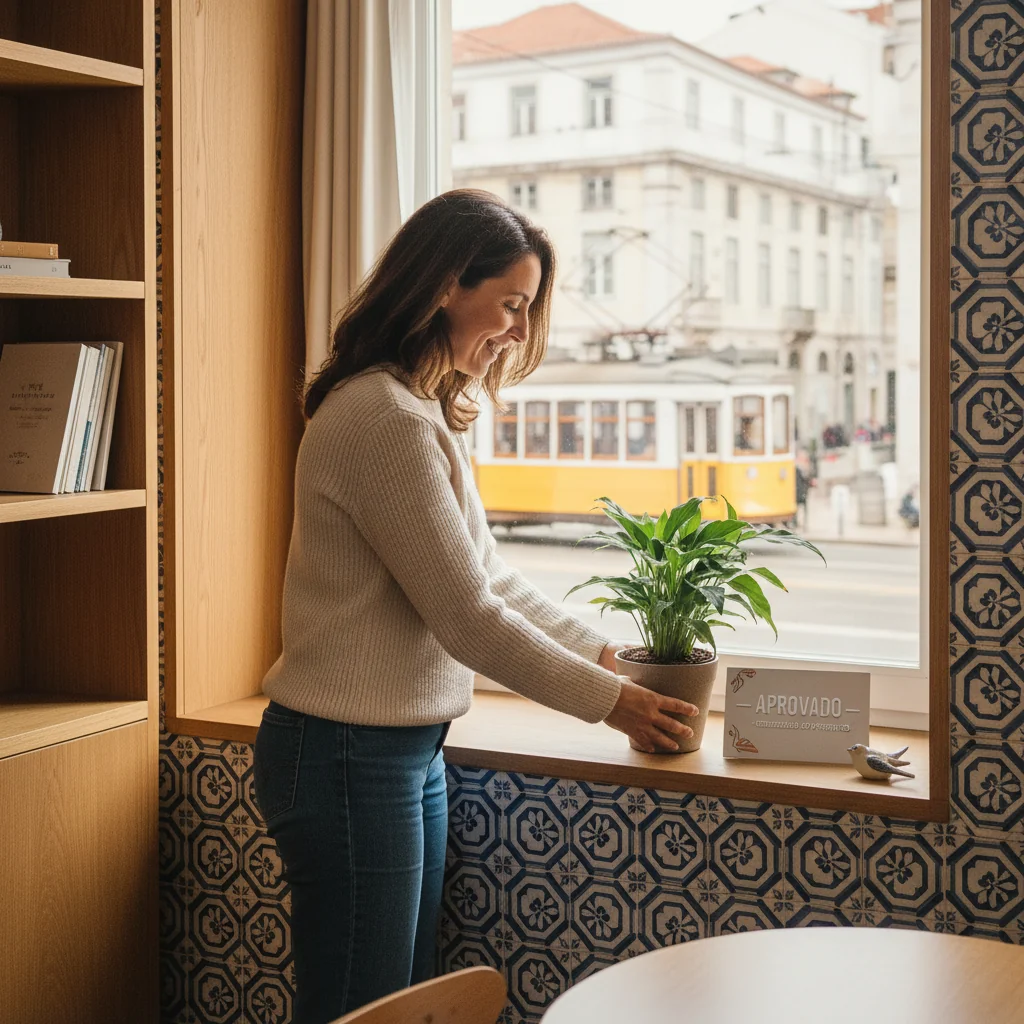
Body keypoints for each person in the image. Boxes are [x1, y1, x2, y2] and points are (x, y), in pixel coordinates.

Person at [251, 188, 697, 1024]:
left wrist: (607, 657)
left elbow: (493, 580)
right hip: (347, 755)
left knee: (401, 1003)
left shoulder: (425, 413)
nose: (520, 333)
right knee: (362, 1007)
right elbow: (467, 617)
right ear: (447, 285)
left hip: (399, 751)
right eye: (512, 306)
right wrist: (615, 705)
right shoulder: (382, 417)